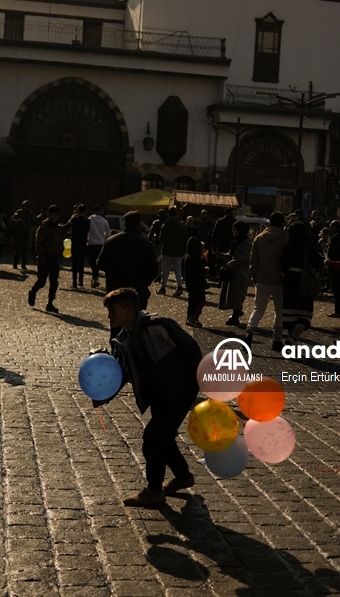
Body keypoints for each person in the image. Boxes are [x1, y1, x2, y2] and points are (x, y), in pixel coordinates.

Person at [95, 288, 201, 507]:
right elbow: (121, 373)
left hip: (178, 391)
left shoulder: (157, 325)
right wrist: (104, 395)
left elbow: (191, 349)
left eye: (113, 311)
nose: (109, 316)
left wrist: (193, 383)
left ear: (129, 310)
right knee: (164, 437)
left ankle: (154, 491)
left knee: (152, 439)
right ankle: (183, 477)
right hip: (158, 394)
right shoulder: (124, 338)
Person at [97, 211, 158, 314]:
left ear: (125, 223)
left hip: (114, 290)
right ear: (138, 224)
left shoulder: (111, 241)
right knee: (135, 324)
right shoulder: (146, 244)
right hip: (137, 292)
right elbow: (153, 270)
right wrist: (143, 283)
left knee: (116, 325)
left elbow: (100, 264)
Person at [243, 212, 287, 349]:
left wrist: (254, 276)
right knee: (279, 311)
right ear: (282, 224)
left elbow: (253, 261)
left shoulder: (259, 238)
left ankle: (249, 332)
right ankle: (276, 339)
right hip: (279, 280)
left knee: (258, 309)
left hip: (262, 278)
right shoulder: (285, 239)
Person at [281, 220, 324, 342]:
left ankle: (291, 338)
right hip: (304, 281)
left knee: (290, 314)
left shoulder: (288, 246)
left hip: (290, 281)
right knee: (305, 313)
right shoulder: (307, 246)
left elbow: (282, 265)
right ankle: (294, 338)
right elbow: (318, 262)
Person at [215, 221, 253, 327]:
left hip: (240, 272)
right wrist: (221, 255)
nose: (233, 231)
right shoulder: (236, 241)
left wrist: (231, 264)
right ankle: (236, 313)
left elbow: (243, 257)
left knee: (238, 294)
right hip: (232, 272)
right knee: (232, 294)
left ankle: (235, 316)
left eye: (235, 229)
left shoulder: (247, 242)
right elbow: (231, 254)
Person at [29, 205, 64, 313]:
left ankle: (50, 303)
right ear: (48, 215)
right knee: (41, 281)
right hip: (44, 258)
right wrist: (41, 257)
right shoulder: (43, 227)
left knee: (54, 282)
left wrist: (61, 253)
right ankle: (33, 291)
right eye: (52, 215)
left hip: (54, 259)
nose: (54, 217)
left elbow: (60, 242)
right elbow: (38, 243)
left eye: (55, 215)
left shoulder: (59, 228)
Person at [158, 206, 188, 296]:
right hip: (178, 251)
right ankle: (179, 286)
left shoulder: (166, 225)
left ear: (168, 214)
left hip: (167, 250)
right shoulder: (182, 226)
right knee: (178, 270)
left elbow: (162, 239)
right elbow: (185, 238)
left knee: (165, 270)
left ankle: (163, 287)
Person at [64, 204, 91, 288]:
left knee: (74, 263)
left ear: (78, 211)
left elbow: (66, 226)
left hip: (75, 242)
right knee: (81, 263)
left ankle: (74, 282)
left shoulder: (74, 219)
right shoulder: (87, 221)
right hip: (83, 242)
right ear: (85, 211)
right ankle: (81, 281)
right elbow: (88, 230)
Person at [183, 236, 207, 327]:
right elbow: (198, 270)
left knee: (192, 302)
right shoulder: (194, 258)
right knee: (200, 300)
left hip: (191, 284)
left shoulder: (187, 257)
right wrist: (205, 269)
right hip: (196, 284)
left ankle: (190, 317)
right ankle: (193, 318)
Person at [86, 204, 111, 288]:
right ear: (100, 211)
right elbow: (108, 233)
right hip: (101, 243)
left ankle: (95, 277)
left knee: (92, 262)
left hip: (91, 243)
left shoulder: (89, 219)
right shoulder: (104, 221)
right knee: (99, 261)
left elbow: (87, 230)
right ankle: (97, 278)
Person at [9, 206, 30, 271]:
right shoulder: (18, 221)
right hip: (18, 238)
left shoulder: (20, 221)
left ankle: (20, 264)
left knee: (21, 251)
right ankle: (18, 264)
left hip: (20, 237)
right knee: (18, 251)